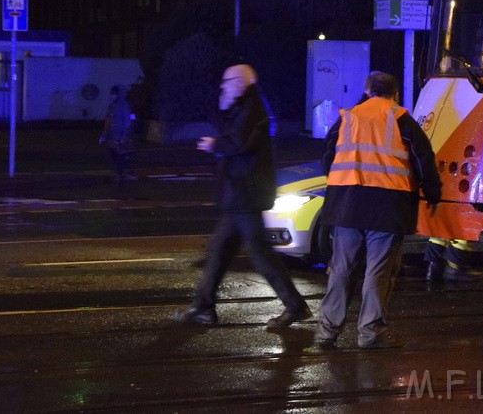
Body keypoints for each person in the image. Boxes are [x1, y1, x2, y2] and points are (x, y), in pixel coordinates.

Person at [173, 64, 311, 329]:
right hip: (240, 194)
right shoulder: (247, 105)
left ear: (240, 82)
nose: (223, 86)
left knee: (259, 253)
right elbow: (234, 133)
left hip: (245, 194)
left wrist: (215, 144)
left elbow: (239, 142)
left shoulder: (253, 107)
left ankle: (294, 306)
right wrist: (224, 110)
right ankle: (204, 307)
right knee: (220, 251)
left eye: (227, 82)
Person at [314, 71, 441, 350]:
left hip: (347, 203)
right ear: (395, 93)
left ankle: (327, 332)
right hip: (387, 206)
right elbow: (423, 160)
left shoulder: (347, 117)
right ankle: (370, 334)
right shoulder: (401, 119)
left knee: (342, 268)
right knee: (378, 271)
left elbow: (327, 158)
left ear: (367, 90)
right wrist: (432, 193)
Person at [99, 84, 137, 197]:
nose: (112, 96)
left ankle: (120, 175)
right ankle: (126, 172)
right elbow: (109, 120)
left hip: (120, 136)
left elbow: (128, 121)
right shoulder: (112, 106)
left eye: (114, 94)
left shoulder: (124, 105)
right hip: (113, 136)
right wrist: (104, 134)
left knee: (118, 155)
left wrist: (124, 136)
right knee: (115, 155)